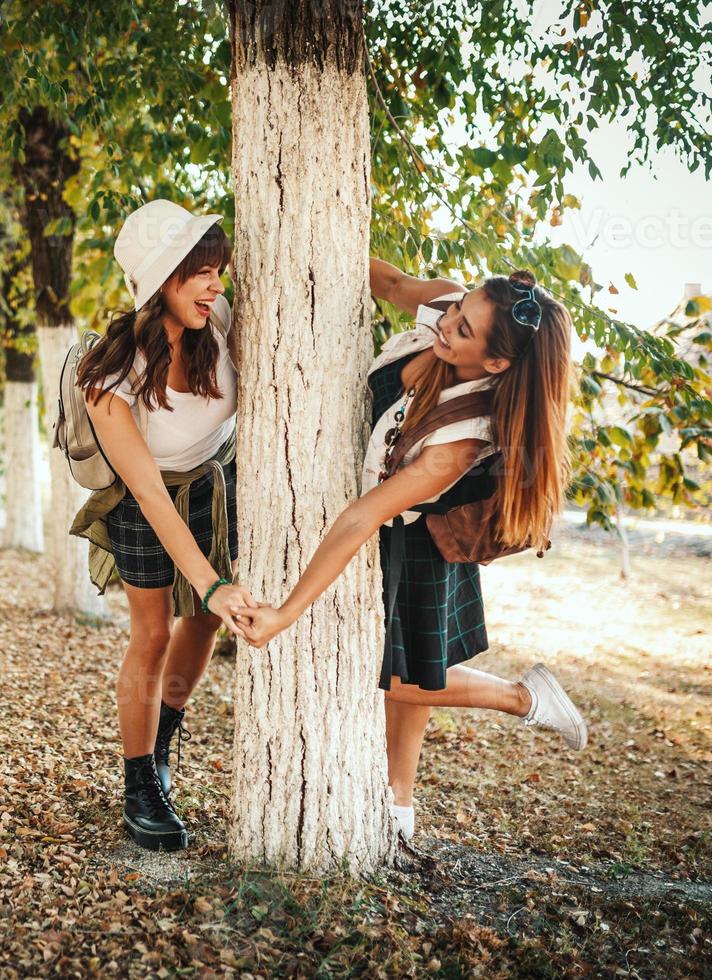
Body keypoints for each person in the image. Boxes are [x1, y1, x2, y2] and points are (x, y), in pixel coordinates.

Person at [236, 257, 588, 841]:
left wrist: (284, 613)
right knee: (412, 669)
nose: (448, 323)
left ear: (496, 363)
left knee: (401, 677)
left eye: (464, 330)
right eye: (457, 308)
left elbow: (362, 516)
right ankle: (400, 805)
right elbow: (395, 284)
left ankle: (523, 697)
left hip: (421, 540)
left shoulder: (461, 439)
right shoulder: (453, 311)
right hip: (400, 525)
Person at [69, 199, 257, 852]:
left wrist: (212, 593)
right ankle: (139, 782)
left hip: (212, 484)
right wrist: (209, 582)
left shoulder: (223, 322)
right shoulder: (111, 377)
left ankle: (165, 741)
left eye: (218, 270)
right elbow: (148, 491)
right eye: (199, 272)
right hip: (143, 500)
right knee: (152, 633)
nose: (216, 284)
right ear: (161, 281)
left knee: (204, 622)